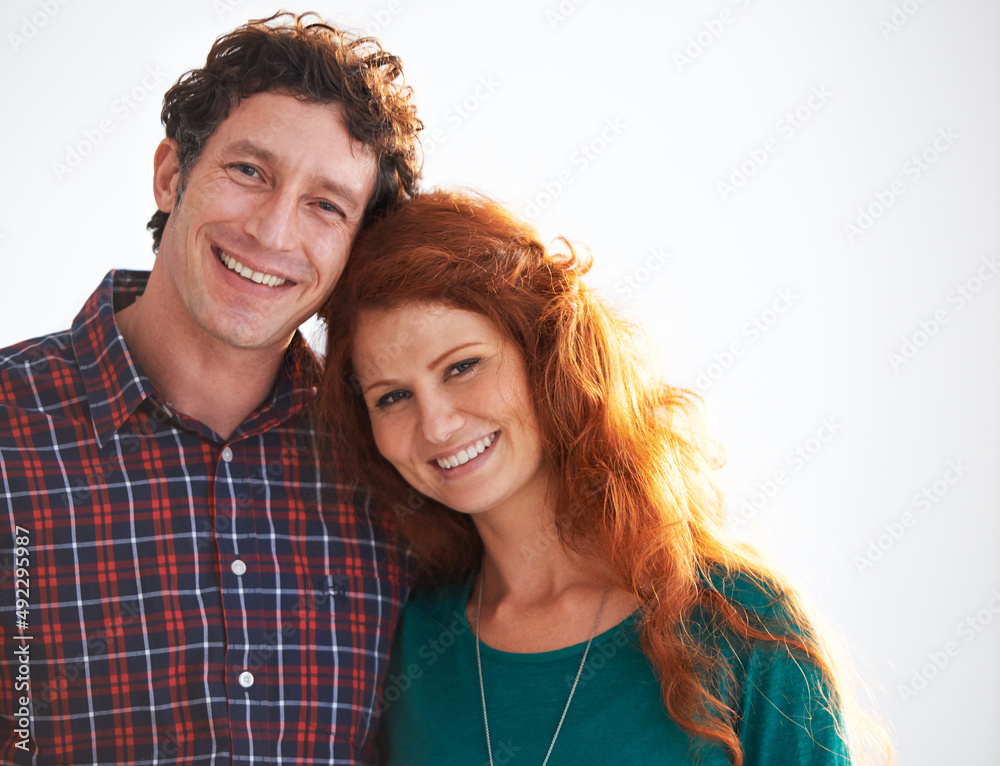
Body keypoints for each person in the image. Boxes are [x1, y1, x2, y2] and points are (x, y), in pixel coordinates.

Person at [318, 190, 893, 765]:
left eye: (462, 366)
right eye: (392, 396)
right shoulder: (410, 644)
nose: (437, 424)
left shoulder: (742, 622)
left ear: (546, 356)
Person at [0, 12, 421, 764]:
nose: (272, 231)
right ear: (172, 175)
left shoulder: (394, 464)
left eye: (326, 205)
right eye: (249, 171)